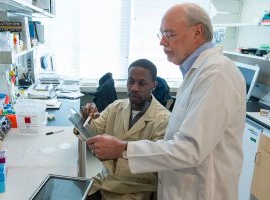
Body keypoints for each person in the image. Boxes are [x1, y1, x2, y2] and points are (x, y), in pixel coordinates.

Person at [87, 3, 246, 200]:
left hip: (202, 192)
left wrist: (123, 148)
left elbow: (190, 148)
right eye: (161, 34)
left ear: (197, 32)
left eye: (169, 34)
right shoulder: (196, 74)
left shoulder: (217, 73)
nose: (162, 42)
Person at [81, 59, 170, 200]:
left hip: (134, 190)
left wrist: (116, 154)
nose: (134, 88)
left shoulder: (164, 120)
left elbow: (155, 164)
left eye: (141, 83)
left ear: (154, 84)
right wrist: (86, 117)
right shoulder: (116, 106)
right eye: (131, 81)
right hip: (104, 180)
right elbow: (93, 130)